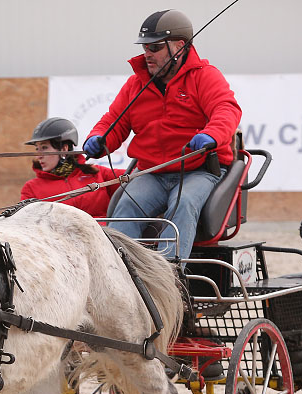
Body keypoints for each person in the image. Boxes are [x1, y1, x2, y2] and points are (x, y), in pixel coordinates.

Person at [82, 9, 241, 259]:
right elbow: (115, 121)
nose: (147, 54)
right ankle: (122, 274)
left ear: (179, 46)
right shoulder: (136, 84)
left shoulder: (205, 76)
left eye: (154, 47)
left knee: (184, 203)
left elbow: (226, 109)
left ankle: (169, 278)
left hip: (199, 169)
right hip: (154, 172)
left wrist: (211, 134)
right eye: (145, 47)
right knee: (125, 207)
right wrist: (99, 139)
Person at [20, 117, 121, 224]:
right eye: (37, 149)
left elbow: (134, 176)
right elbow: (25, 225)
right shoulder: (31, 189)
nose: (38, 156)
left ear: (64, 149)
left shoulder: (97, 173)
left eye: (44, 148)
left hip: (102, 237)